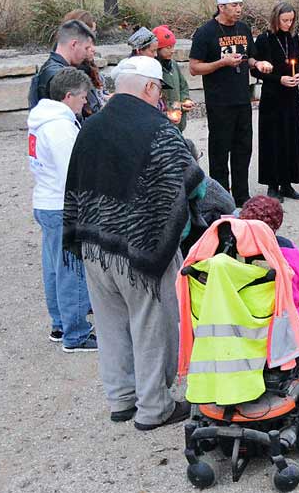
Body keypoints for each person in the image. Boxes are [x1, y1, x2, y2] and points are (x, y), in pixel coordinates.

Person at [63, 56, 205, 430]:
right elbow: (190, 181)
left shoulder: (90, 126)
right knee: (150, 324)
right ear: (149, 87)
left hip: (94, 241)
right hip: (142, 246)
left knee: (110, 324)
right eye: (160, 90)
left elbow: (75, 185)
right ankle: (154, 407)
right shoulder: (157, 129)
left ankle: (121, 399)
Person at [28, 67, 96, 352]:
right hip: (62, 205)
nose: (85, 103)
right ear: (69, 96)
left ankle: (60, 323)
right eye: (82, 98)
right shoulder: (60, 128)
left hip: (46, 201)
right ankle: (76, 333)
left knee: (55, 268)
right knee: (73, 269)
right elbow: (74, 170)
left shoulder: (43, 121)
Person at [189, 0, 274, 207]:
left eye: (240, 5)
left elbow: (250, 58)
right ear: (221, 7)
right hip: (219, 102)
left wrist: (259, 63)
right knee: (219, 151)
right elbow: (194, 67)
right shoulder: (206, 32)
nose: (239, 10)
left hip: (242, 100)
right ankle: (220, 198)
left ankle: (241, 195)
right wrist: (222, 63)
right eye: (234, 5)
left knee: (243, 148)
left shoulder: (243, 29)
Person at [254, 1, 299, 201]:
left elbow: (296, 61)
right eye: (284, 20)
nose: (288, 23)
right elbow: (255, 69)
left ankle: (287, 182)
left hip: (290, 95)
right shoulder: (265, 39)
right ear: (276, 19)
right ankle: (272, 184)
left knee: (290, 138)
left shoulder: (293, 37)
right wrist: (279, 79)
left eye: (291, 20)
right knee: (272, 139)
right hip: (272, 96)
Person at [239, 195, 299, 319]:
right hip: (281, 315)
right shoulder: (285, 248)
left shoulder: (231, 248)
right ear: (277, 223)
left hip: (241, 310)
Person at [28, 19, 96, 109]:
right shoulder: (62, 76)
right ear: (74, 44)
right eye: (86, 48)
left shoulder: (48, 69)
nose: (87, 53)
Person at [61, 9, 108, 115]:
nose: (93, 47)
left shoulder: (88, 64)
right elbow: (89, 110)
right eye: (91, 34)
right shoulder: (74, 73)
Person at [153, 25, 193, 131]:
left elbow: (183, 85)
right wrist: (172, 107)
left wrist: (185, 100)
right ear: (157, 49)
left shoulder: (173, 65)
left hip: (178, 120)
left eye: (173, 46)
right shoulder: (154, 70)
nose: (172, 51)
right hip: (164, 122)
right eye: (168, 47)